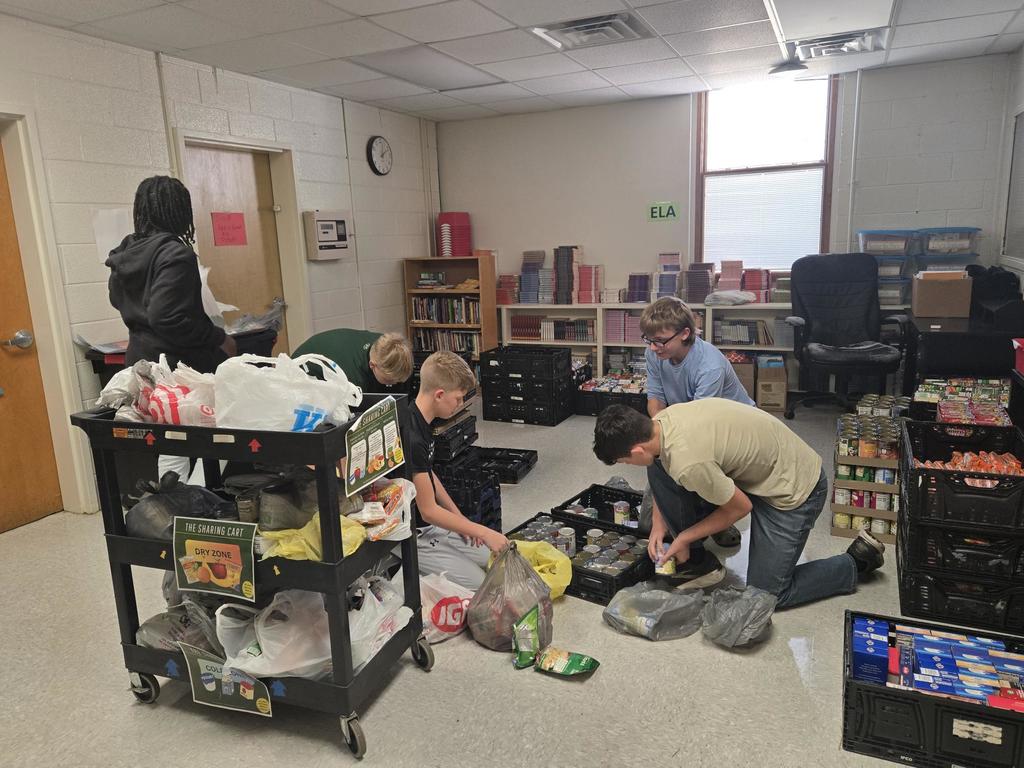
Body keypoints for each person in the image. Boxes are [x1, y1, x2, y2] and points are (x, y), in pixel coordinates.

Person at [593, 401, 884, 603]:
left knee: (768, 594)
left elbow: (740, 508)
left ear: (636, 448)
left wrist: (684, 536)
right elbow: (657, 468)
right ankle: (696, 558)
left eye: (623, 460)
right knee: (658, 467)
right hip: (759, 469)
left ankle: (854, 563)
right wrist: (659, 525)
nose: (626, 465)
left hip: (793, 488)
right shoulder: (663, 422)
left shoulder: (689, 462)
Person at [640, 296, 753, 552]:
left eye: (661, 340)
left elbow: (700, 427)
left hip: (726, 431)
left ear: (685, 333)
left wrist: (670, 449)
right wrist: (659, 440)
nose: (654, 347)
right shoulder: (654, 352)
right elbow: (655, 400)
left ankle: (718, 515)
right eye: (649, 340)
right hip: (684, 422)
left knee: (693, 478)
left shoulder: (709, 366)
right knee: (649, 523)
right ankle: (707, 514)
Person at [400, 351, 507, 590]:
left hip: (431, 526)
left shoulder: (422, 420)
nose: (461, 405)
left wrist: (459, 517)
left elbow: (427, 474)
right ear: (439, 395)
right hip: (413, 534)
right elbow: (428, 511)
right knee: (482, 585)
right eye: (458, 399)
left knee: (493, 560)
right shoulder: (412, 436)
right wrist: (484, 531)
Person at [107, 175, 236, 371]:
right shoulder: (176, 254)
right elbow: (165, 317)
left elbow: (117, 300)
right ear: (180, 210)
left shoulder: (126, 251)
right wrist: (219, 337)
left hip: (140, 362)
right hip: (178, 367)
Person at [293, 329, 413, 392]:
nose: (394, 384)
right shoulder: (352, 379)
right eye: (389, 380)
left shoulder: (387, 344)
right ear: (372, 365)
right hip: (299, 375)